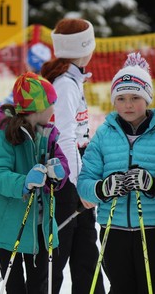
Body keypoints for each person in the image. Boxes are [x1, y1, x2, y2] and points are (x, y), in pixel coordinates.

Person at [0, 71, 70, 294]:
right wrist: (23, 181)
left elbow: (62, 164)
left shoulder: (48, 135)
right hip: (8, 224)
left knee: (39, 283)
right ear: (38, 107)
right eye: (51, 104)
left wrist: (59, 174)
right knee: (15, 285)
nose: (53, 109)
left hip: (39, 225)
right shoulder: (3, 136)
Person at [77, 52, 155, 294]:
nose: (128, 105)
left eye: (135, 97)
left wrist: (150, 184)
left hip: (152, 229)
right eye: (121, 98)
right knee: (121, 287)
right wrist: (103, 188)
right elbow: (84, 182)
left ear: (148, 98)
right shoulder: (103, 134)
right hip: (114, 229)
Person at [41, 18, 105, 293]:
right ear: (84, 46)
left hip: (76, 177)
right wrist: (76, 186)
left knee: (87, 258)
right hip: (66, 183)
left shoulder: (73, 79)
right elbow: (65, 137)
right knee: (57, 259)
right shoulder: (65, 83)